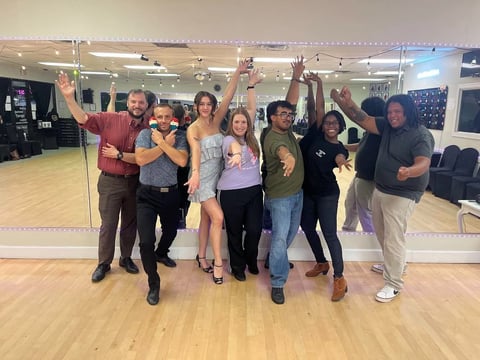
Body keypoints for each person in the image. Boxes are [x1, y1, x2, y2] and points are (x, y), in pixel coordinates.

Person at [331, 87, 434, 303]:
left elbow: (423, 162)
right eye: (389, 112)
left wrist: (409, 171)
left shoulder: (420, 134)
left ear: (408, 112)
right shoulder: (388, 127)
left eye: (397, 112)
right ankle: (395, 264)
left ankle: (393, 284)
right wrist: (348, 103)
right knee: (383, 234)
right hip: (382, 188)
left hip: (403, 193)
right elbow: (362, 118)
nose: (392, 116)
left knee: (393, 237)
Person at [55, 72, 149, 282]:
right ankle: (103, 263)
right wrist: (69, 99)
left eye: (141, 102)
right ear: (127, 103)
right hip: (110, 182)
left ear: (146, 105)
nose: (137, 105)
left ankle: (126, 258)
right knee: (108, 224)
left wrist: (122, 155)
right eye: (134, 101)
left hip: (135, 182)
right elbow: (84, 119)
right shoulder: (110, 119)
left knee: (129, 224)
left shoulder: (147, 129)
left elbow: (144, 158)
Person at [185, 59, 251, 285]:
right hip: (202, 178)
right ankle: (219, 264)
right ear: (196, 106)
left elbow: (229, 97)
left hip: (219, 177)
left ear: (212, 106)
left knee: (205, 219)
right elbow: (195, 151)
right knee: (218, 217)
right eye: (201, 104)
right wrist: (194, 173)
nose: (205, 107)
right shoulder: (193, 129)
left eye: (208, 104)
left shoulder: (217, 120)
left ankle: (201, 256)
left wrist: (238, 72)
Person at [299, 72, 351, 301]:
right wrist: (318, 84)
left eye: (335, 123)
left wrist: (341, 162)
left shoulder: (339, 147)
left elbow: (340, 157)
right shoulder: (317, 137)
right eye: (328, 122)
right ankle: (321, 262)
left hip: (328, 195)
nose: (330, 125)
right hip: (308, 193)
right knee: (308, 228)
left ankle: (339, 277)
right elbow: (317, 108)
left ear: (340, 127)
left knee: (330, 233)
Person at [135, 103, 188, 305]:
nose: (164, 120)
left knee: (171, 232)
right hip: (146, 195)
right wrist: (162, 145)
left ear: (173, 118)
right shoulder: (145, 135)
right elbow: (141, 159)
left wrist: (163, 143)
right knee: (145, 241)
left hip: (171, 194)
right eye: (160, 117)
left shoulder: (180, 137)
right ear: (153, 118)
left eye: (167, 117)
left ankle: (161, 253)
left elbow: (181, 161)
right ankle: (153, 282)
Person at [262, 56, 305, 304]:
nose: (288, 117)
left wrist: (296, 77)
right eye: (283, 114)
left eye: (290, 114)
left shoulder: (286, 129)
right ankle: (278, 282)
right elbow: (281, 150)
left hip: (297, 193)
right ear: (272, 118)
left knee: (288, 234)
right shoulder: (272, 136)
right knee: (280, 237)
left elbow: (291, 100)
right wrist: (288, 156)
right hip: (280, 198)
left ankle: (272, 259)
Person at [217, 69, 263, 281]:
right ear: (231, 124)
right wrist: (236, 154)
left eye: (243, 122)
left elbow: (251, 108)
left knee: (254, 230)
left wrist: (251, 85)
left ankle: (250, 259)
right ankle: (237, 266)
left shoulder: (251, 139)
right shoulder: (227, 140)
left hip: (254, 191)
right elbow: (233, 146)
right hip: (231, 193)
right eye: (236, 122)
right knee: (234, 232)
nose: (240, 125)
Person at [341, 97, 385, 232]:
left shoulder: (380, 128)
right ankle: (348, 231)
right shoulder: (370, 131)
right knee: (351, 204)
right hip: (360, 175)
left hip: (369, 177)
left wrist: (340, 101)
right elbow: (361, 145)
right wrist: (342, 146)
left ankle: (372, 239)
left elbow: (355, 116)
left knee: (365, 211)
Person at [173, 104, 191, 229]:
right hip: (184, 177)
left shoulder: (164, 135)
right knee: (182, 209)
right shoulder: (188, 134)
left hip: (173, 179)